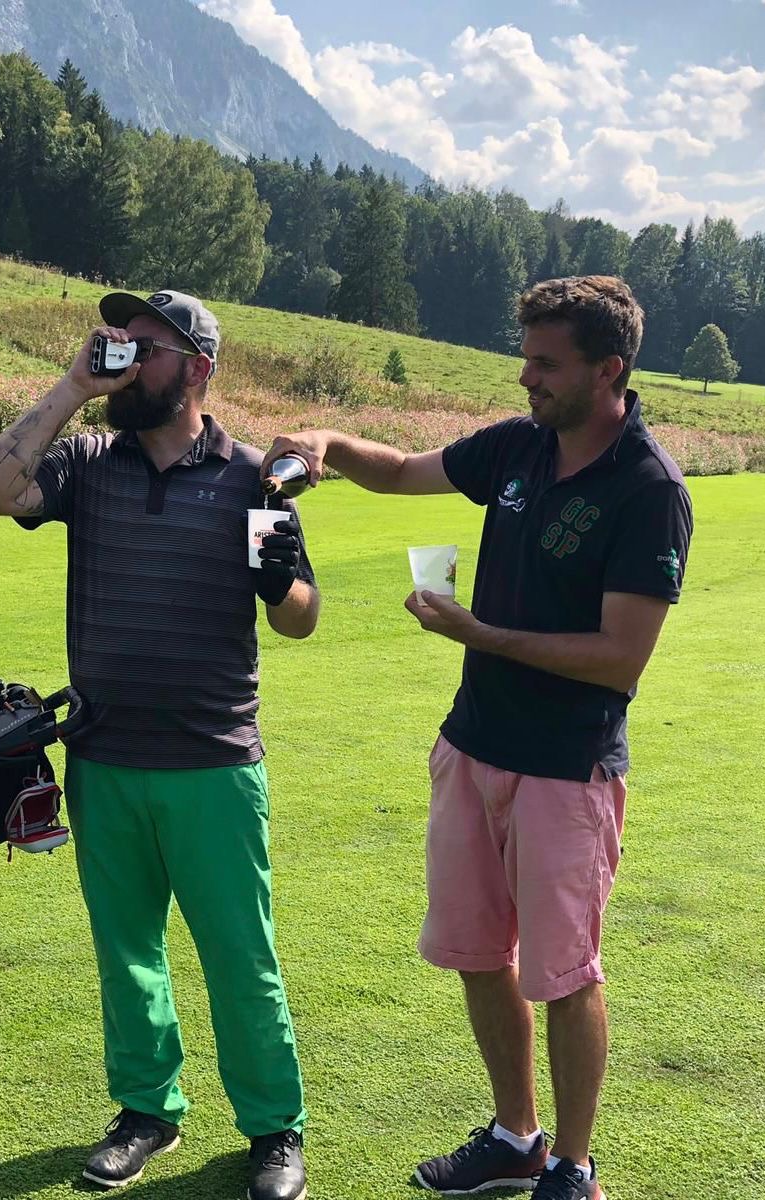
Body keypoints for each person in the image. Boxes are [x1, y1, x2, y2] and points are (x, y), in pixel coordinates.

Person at [262, 276, 693, 1200]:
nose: (527, 377)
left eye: (547, 363)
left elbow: (620, 657)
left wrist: (481, 635)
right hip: (473, 748)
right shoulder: (518, 445)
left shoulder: (649, 489)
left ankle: (573, 1165)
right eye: (526, 358)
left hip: (565, 770)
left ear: (609, 370)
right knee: (477, 955)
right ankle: (515, 1136)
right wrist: (328, 441)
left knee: (565, 976)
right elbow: (402, 470)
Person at [0, 289, 318, 1200]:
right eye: (117, 341)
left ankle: (274, 1129)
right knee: (126, 952)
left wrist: (282, 583)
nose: (122, 355)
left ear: (198, 368)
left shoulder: (255, 477)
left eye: (143, 347)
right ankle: (146, 1112)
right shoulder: (87, 460)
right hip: (106, 757)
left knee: (241, 959)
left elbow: (299, 619)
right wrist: (73, 386)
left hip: (213, 763)